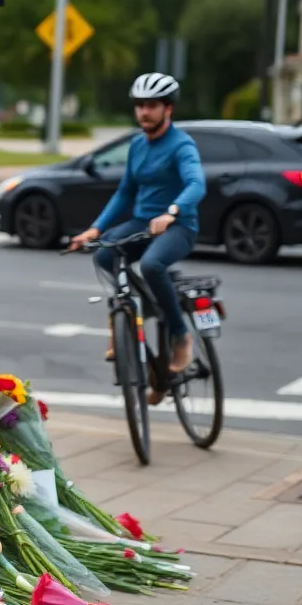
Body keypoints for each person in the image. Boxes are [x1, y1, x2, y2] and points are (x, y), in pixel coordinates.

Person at [69, 72, 206, 397]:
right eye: (140, 106)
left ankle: (179, 334)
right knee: (104, 254)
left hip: (178, 226)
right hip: (142, 224)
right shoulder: (137, 146)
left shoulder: (182, 145)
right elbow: (125, 192)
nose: (144, 112)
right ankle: (129, 317)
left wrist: (172, 211)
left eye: (152, 106)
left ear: (168, 109)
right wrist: (96, 228)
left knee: (152, 265)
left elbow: (196, 184)